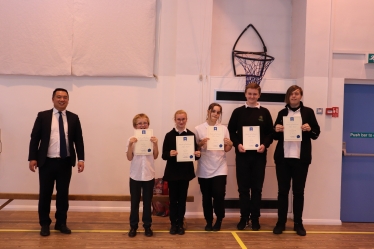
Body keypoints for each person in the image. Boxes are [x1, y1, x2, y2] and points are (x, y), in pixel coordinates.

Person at [28, 88, 85, 237]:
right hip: (46, 162)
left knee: (62, 195)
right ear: (53, 99)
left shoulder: (73, 118)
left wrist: (81, 159)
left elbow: (78, 140)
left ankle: (61, 223)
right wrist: (32, 158)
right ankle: (45, 223)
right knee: (45, 194)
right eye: (59, 97)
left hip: (65, 162)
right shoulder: (43, 116)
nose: (62, 99)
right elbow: (35, 138)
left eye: (65, 97)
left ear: (68, 100)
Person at [272, 85, 320, 236]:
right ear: (288, 96)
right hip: (283, 159)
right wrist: (276, 129)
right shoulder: (281, 113)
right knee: (282, 192)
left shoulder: (308, 112)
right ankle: (281, 223)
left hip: (301, 159)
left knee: (299, 192)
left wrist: (309, 128)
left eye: (297, 94)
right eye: (291, 94)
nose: (294, 96)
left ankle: (298, 223)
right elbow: (274, 135)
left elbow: (316, 133)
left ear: (301, 96)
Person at [227, 82, 273, 231]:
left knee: (257, 189)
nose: (252, 96)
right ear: (245, 94)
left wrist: (264, 145)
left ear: (259, 95)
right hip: (242, 156)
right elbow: (230, 132)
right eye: (249, 93)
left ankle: (255, 219)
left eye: (255, 94)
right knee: (243, 189)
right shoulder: (238, 112)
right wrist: (237, 144)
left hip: (259, 156)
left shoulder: (265, 112)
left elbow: (270, 134)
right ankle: (244, 217)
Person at [195, 103, 233, 231]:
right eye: (214, 111)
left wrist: (230, 144)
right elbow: (195, 149)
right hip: (204, 168)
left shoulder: (223, 129)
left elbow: (227, 149)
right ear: (208, 111)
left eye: (218, 112)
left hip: (220, 167)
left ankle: (219, 219)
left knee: (219, 194)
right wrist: (200, 143)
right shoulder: (199, 128)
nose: (216, 114)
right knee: (206, 197)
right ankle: (209, 221)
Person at [162, 110, 201, 235]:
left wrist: (197, 154)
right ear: (175, 120)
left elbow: (194, 155)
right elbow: (164, 155)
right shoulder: (169, 135)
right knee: (173, 200)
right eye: (178, 119)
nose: (181, 121)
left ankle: (180, 224)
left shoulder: (191, 135)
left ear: (186, 120)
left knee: (182, 200)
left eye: (183, 119)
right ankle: (173, 224)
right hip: (173, 173)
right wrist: (170, 154)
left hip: (185, 173)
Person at [126, 113, 159, 238]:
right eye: (139, 123)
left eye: (144, 123)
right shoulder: (131, 139)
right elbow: (129, 158)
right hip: (135, 175)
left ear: (148, 124)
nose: (142, 125)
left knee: (147, 202)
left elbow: (155, 156)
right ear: (135, 126)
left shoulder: (153, 139)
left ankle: (147, 226)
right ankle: (133, 226)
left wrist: (155, 144)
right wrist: (130, 145)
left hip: (149, 175)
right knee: (134, 202)